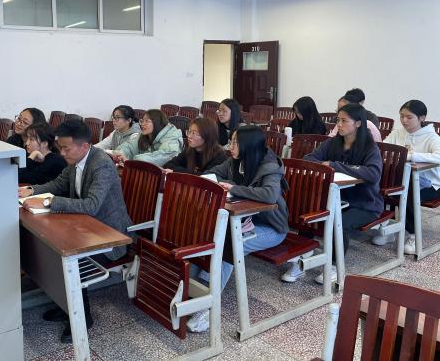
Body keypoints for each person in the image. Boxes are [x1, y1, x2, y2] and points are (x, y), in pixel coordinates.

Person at [18, 120, 131, 343]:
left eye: (66, 148)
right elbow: (58, 184)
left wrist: (50, 202)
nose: (62, 153)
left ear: (85, 146)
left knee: (72, 261)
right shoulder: (75, 159)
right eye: (60, 148)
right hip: (84, 227)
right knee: (51, 252)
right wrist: (31, 190)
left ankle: (82, 318)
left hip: (109, 236)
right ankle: (67, 305)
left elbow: (91, 205)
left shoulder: (101, 164)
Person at [186, 125, 288, 332]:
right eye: (231, 141)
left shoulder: (270, 166)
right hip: (241, 221)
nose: (230, 146)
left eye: (235, 142)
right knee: (208, 236)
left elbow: (269, 195)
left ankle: (206, 306)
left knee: (230, 244)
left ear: (248, 145)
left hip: (270, 228)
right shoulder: (235, 161)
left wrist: (234, 188)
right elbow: (210, 174)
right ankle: (192, 288)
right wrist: (230, 182)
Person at [283, 103, 382, 284]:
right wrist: (325, 166)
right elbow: (309, 159)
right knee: (308, 213)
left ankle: (335, 266)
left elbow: (372, 173)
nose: (339, 125)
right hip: (334, 199)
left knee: (339, 222)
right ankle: (302, 258)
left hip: (364, 204)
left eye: (344, 121)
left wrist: (335, 166)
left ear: (358, 123)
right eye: (338, 120)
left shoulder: (369, 147)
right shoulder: (333, 143)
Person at [373, 100, 440, 254]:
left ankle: (413, 235)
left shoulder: (432, 137)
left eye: (409, 117)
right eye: (402, 116)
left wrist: (410, 155)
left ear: (422, 118)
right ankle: (388, 229)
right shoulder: (398, 133)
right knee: (382, 187)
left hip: (431, 185)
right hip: (402, 179)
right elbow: (382, 148)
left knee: (408, 192)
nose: (404, 120)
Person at [112, 109, 183, 167]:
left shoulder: (172, 137)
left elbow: (162, 156)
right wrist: (120, 153)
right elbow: (129, 146)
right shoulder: (144, 135)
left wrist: (134, 160)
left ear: (157, 123)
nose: (142, 124)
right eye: (142, 121)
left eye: (147, 121)